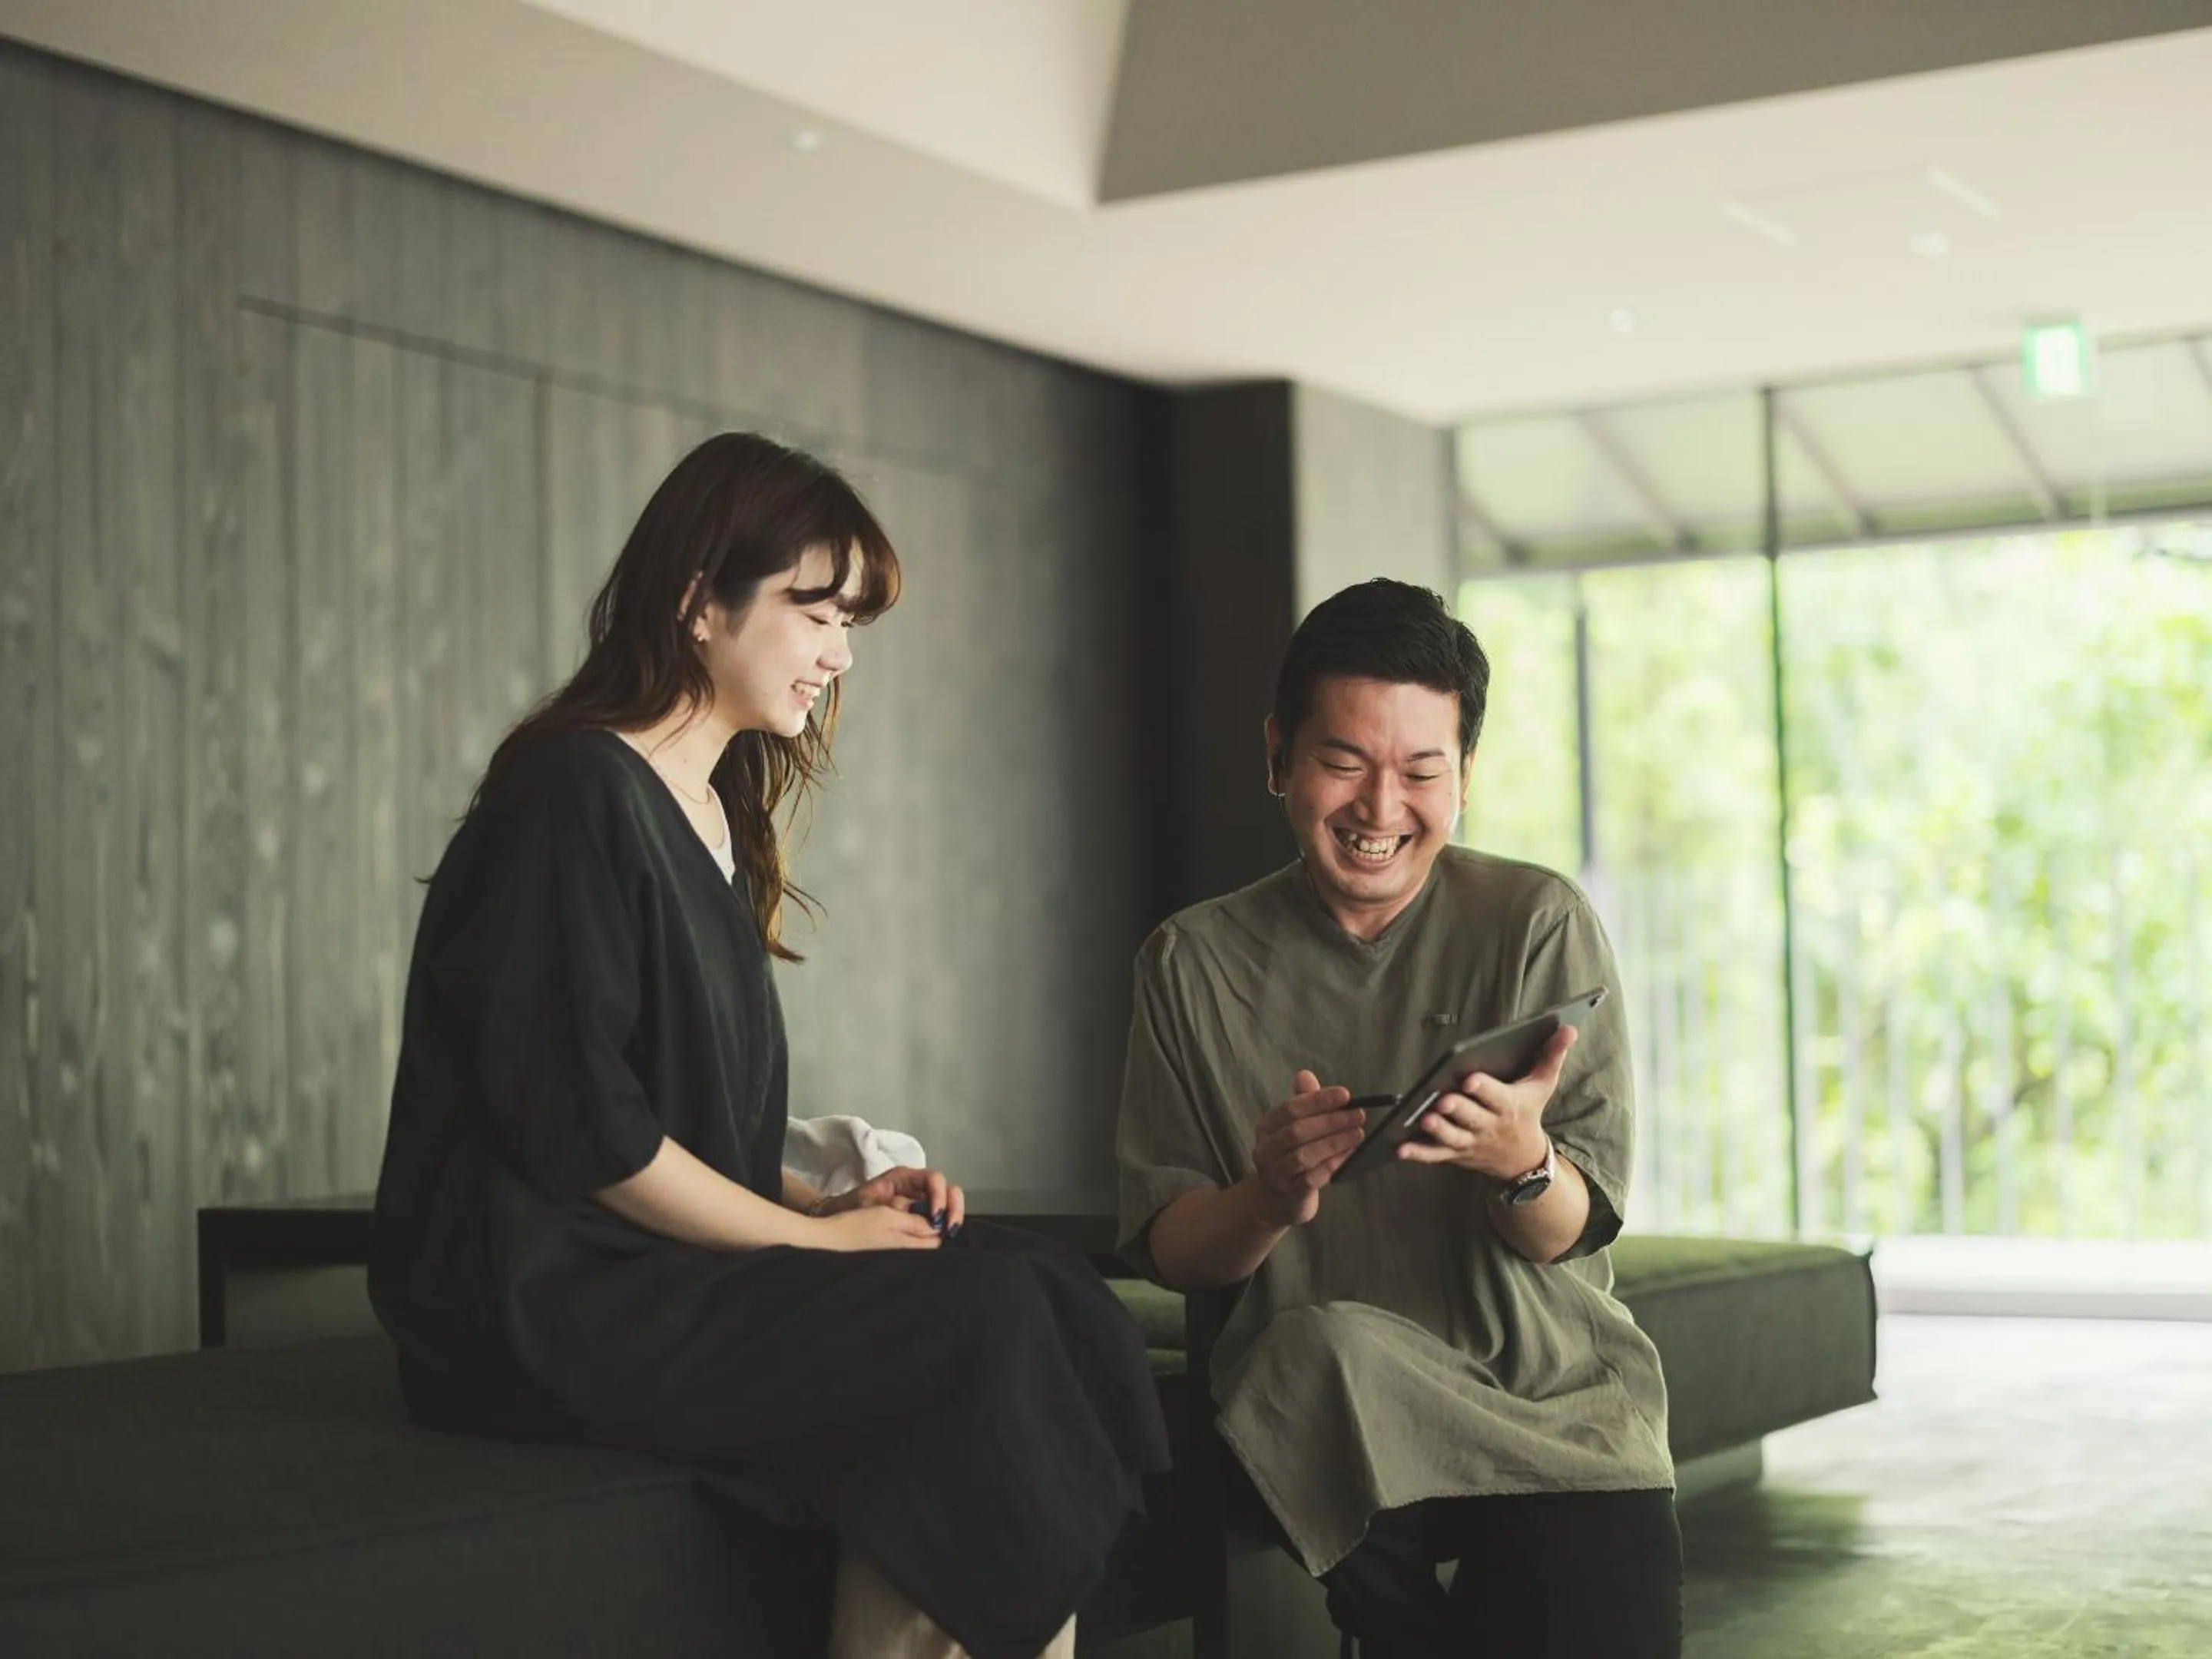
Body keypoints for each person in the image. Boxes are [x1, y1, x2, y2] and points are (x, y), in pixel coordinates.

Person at [370, 432, 1170, 1659]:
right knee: (976, 1326)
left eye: (851, 622)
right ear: (700, 603)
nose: (842, 655)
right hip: (539, 1299)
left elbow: (681, 1117)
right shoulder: (574, 795)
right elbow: (591, 1134)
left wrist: (834, 1197)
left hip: (645, 1264)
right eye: (816, 613)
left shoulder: (714, 813)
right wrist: (813, 1241)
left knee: (1035, 1286)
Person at [1116, 579, 1679, 1658]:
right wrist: (1269, 1199)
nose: (1381, 809)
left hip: (1552, 1401)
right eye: (1343, 763)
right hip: (1330, 1425)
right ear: (1278, 755)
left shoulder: (1535, 921)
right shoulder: (1190, 961)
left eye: (1422, 771)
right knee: (1313, 1357)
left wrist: (1521, 1160)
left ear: (1463, 776)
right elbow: (1174, 1247)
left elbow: (1573, 1227)